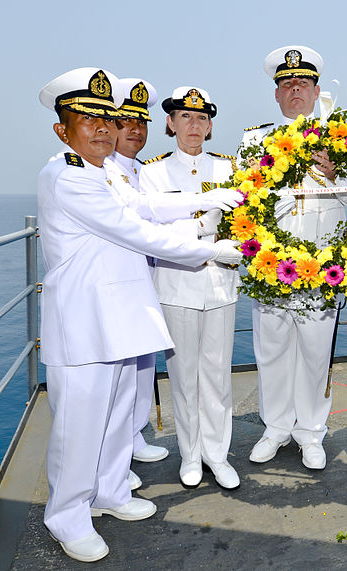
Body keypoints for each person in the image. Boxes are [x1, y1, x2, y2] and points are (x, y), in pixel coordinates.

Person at [37, 67, 242, 562]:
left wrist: (206, 198)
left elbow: (147, 205)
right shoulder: (67, 176)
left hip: (120, 316)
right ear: (63, 130)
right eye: (89, 119)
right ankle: (67, 516)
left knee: (110, 420)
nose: (105, 128)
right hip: (84, 322)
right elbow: (135, 231)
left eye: (108, 118)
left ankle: (108, 494)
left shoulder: (102, 172)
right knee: (79, 426)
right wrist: (207, 249)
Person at [245, 46, 347, 470]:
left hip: (322, 271)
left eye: (303, 83)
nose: (295, 90)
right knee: (270, 353)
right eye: (286, 84)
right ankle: (275, 428)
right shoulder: (256, 141)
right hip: (271, 270)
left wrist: (337, 173)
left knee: (314, 356)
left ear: (316, 90)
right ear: (276, 95)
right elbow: (245, 203)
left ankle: (310, 432)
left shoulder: (345, 140)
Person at [138, 86, 240, 489]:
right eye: (184, 117)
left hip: (219, 288)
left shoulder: (230, 169)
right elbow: (152, 229)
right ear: (170, 122)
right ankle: (191, 456)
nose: (193, 125)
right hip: (175, 286)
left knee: (217, 376)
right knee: (183, 377)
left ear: (210, 124)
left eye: (201, 118)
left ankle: (218, 455)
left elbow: (243, 225)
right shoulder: (153, 172)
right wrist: (203, 235)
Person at [105, 78, 169, 492]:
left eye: (141, 122)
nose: (136, 130)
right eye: (126, 121)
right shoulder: (104, 170)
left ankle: (133, 435)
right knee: (119, 376)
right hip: (117, 284)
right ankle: (114, 454)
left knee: (143, 366)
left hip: (147, 277)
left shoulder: (145, 171)